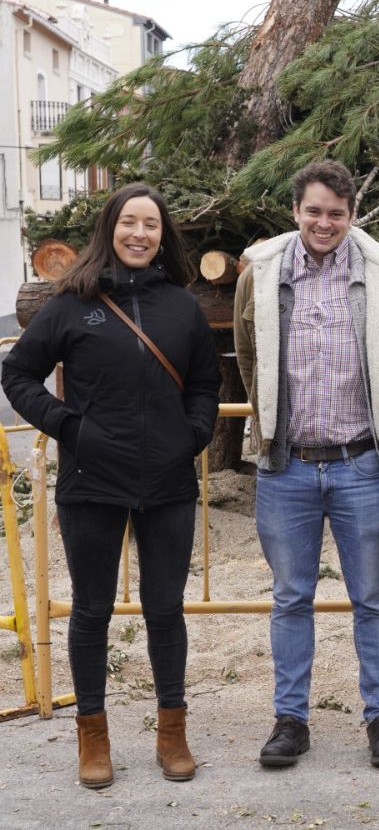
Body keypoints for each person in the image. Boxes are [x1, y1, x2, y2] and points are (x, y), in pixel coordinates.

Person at [2, 183, 220, 789]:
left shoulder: (183, 307)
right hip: (92, 481)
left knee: (165, 609)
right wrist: (70, 427)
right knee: (92, 612)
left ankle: (172, 732)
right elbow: (17, 374)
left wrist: (195, 432)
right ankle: (92, 738)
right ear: (110, 228)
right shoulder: (72, 303)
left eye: (151, 225)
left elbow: (205, 383)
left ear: (162, 235)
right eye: (129, 222)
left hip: (170, 484)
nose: (140, 234)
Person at [233, 160, 379, 770]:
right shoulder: (261, 273)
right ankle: (291, 720)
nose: (324, 223)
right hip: (286, 466)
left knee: (373, 598)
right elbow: (247, 351)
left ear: (352, 215)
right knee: (289, 599)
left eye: (336, 213)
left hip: (360, 463)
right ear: (295, 211)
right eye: (314, 211)